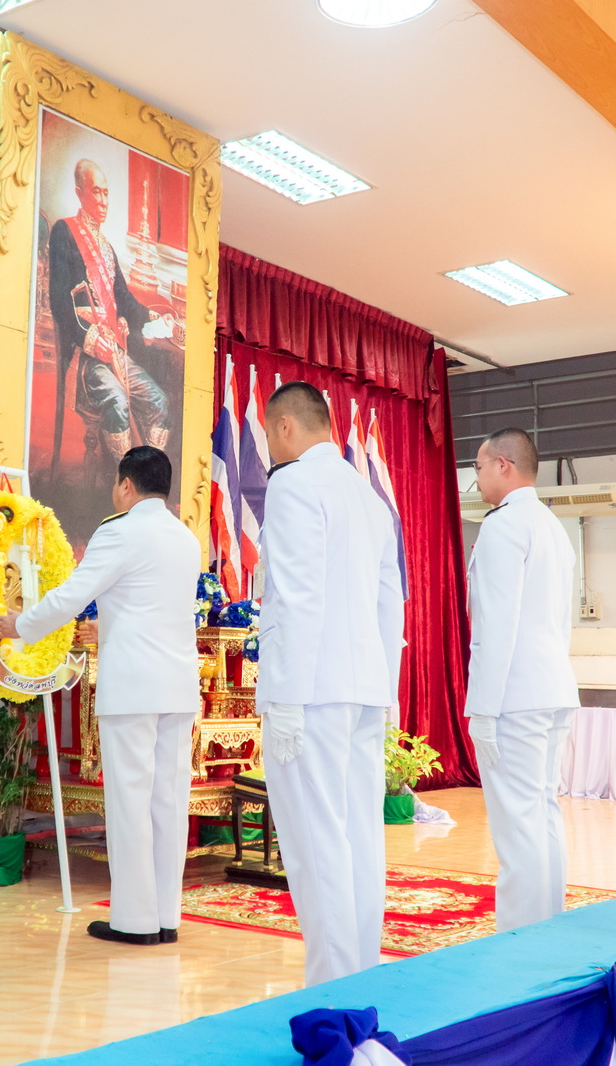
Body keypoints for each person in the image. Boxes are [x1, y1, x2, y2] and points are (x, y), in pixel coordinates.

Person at [0, 446, 198, 945]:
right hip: (176, 685)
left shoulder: (120, 531)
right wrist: (108, 627)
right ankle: (166, 917)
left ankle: (134, 920)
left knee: (130, 800)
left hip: (133, 685)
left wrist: (21, 624)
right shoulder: (185, 538)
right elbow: (154, 610)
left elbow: (71, 596)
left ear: (127, 485)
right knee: (169, 802)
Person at [256, 382, 405, 986]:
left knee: (315, 844)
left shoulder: (294, 484)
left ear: (286, 426)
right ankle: (360, 973)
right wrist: (387, 692)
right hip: (364, 687)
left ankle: (331, 990)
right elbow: (390, 604)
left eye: (268, 433)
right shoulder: (368, 496)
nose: (270, 447)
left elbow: (295, 597)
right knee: (359, 838)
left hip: (311, 690)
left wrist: (286, 699)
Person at [464, 427, 580, 931]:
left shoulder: (503, 526)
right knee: (541, 815)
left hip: (513, 696)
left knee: (517, 828)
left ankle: (519, 941)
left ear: (503, 465)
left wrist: (483, 709)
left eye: (479, 467)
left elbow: (495, 625)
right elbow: (561, 621)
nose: (477, 479)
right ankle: (548, 930)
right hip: (551, 686)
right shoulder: (552, 526)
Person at [48, 159, 172, 462]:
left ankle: (146, 478)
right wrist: (91, 340)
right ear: (80, 194)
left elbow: (125, 301)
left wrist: (154, 317)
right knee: (118, 402)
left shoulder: (107, 247)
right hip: (84, 357)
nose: (103, 201)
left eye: (106, 193)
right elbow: (59, 302)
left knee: (159, 402)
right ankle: (123, 480)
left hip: (115, 353)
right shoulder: (65, 232)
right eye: (96, 192)